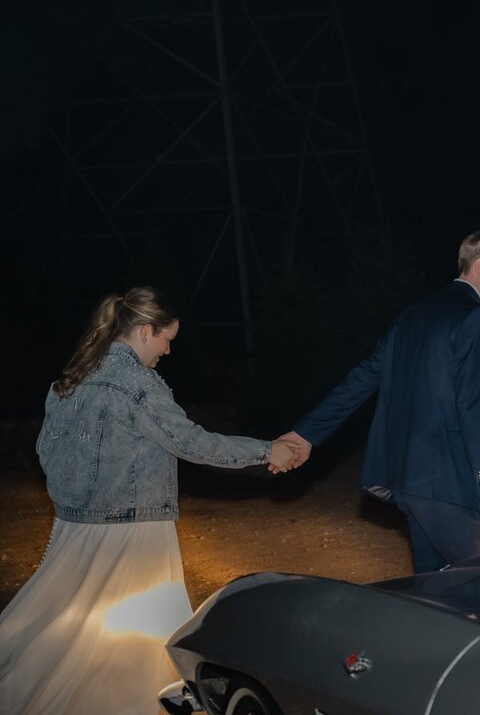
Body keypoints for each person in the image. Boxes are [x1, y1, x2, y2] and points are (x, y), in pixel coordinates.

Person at [0, 286, 299, 715]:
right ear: (143, 331)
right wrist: (266, 450)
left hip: (76, 525)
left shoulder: (72, 379)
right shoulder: (136, 384)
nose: (168, 350)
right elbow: (191, 442)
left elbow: (47, 452)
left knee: (72, 624)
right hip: (133, 528)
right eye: (166, 339)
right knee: (139, 630)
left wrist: (76, 502)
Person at [280, 228, 480, 574]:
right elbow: (475, 408)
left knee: (434, 593)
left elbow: (361, 379)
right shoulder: (477, 319)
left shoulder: (413, 315)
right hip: (452, 487)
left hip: (410, 482)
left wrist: (306, 434)